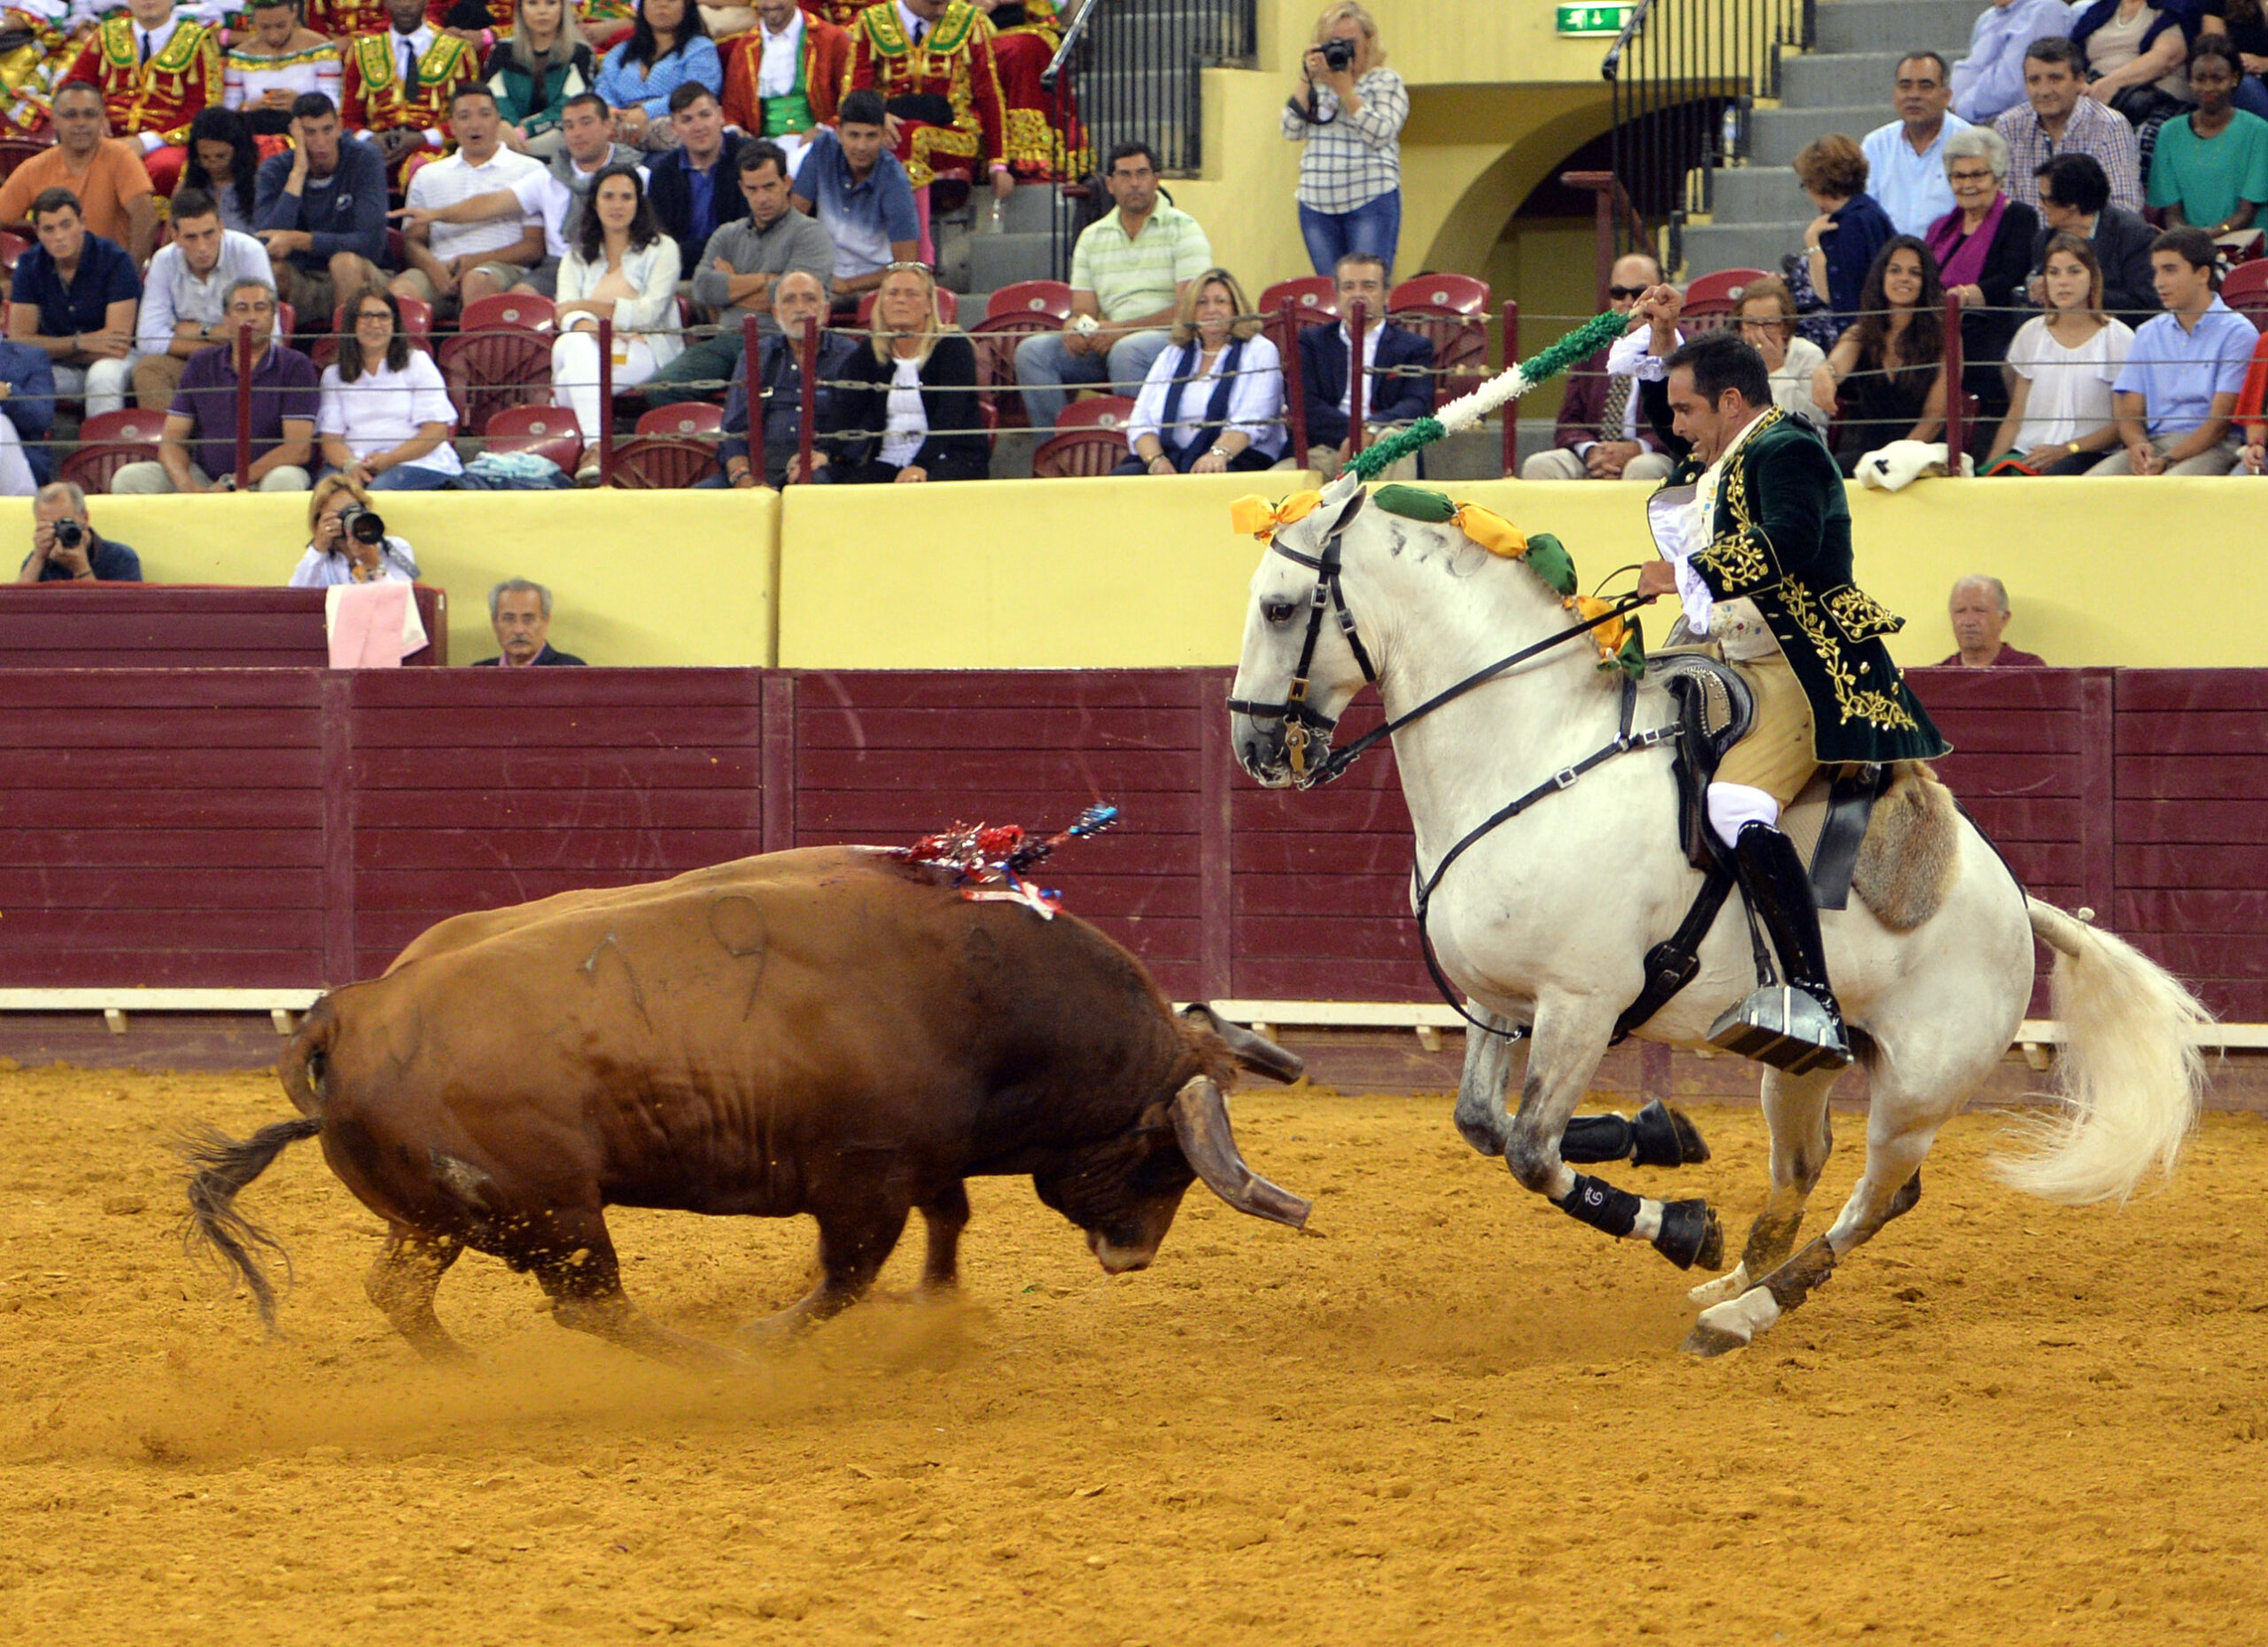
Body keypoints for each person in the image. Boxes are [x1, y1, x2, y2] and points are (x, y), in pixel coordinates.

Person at [1639, 329, 1948, 1069]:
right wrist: (1660, 343)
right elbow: (1673, 421)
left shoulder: (1789, 451)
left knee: (1733, 806)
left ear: (1732, 401)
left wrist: (1689, 573)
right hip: (1728, 652)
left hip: (1800, 666)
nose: (1675, 428)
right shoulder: (1727, 450)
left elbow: (1792, 539)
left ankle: (1811, 992)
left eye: (1687, 411)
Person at [1014, 141, 1210, 434]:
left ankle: (1138, 452)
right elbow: (1083, 311)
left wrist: (1122, 330)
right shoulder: (1092, 238)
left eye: (1142, 173)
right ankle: (1057, 455)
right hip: (1112, 341)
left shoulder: (1184, 229)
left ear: (1156, 180)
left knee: (1128, 351)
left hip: (1172, 342)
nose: (1134, 183)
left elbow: (1191, 311)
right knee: (1032, 352)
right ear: (1110, 184)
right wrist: (1075, 326)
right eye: (1124, 175)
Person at [645, 138, 831, 404]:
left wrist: (730, 287)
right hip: (727, 340)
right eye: (753, 189)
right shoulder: (727, 235)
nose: (762, 198)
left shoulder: (810, 233)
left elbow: (796, 302)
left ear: (787, 183)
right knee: (662, 388)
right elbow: (703, 288)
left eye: (769, 186)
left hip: (781, 342)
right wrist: (767, 280)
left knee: (759, 397)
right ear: (742, 188)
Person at [843, 0, 1015, 260]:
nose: (942, 7)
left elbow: (989, 93)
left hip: (955, 135)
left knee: (910, 136)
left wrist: (998, 162)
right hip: (888, 133)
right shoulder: (871, 22)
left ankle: (915, 255)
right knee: (894, 138)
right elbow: (854, 92)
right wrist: (876, 116)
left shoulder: (969, 20)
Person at [114, 277, 317, 493]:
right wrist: (186, 484)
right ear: (226, 319)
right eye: (241, 309)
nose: (251, 317)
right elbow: (172, 441)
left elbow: (298, 449)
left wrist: (233, 481)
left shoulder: (295, 365)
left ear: (273, 316)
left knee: (284, 481)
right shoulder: (201, 363)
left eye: (260, 308)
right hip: (206, 476)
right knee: (129, 479)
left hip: (266, 476)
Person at [552, 161, 682, 476]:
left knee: (569, 380)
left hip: (644, 347)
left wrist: (587, 308)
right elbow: (562, 312)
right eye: (609, 196)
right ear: (595, 202)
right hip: (589, 346)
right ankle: (597, 446)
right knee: (574, 341)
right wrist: (586, 326)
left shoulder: (662, 249)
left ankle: (588, 449)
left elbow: (649, 314)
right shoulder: (575, 256)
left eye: (626, 197)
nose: (617, 205)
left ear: (639, 203)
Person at [2090, 225, 2255, 473]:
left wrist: (2168, 459)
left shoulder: (2237, 333)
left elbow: (2219, 425)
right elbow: (2130, 412)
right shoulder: (2147, 333)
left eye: (2170, 270)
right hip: (2156, 442)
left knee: (2170, 487)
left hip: (2216, 446)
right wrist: (2138, 444)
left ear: (2202, 274)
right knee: (2092, 487)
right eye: (2156, 271)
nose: (2159, 283)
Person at [712, 268, 877, 486]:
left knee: (811, 491)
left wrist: (824, 457)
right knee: (694, 505)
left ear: (826, 310)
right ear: (776, 312)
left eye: (809, 299)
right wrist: (742, 476)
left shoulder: (849, 355)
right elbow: (733, 431)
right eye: (789, 300)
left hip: (824, 465)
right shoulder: (757, 355)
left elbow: (859, 431)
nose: (800, 308)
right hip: (760, 466)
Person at [392, 85, 546, 317]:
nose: (475, 125)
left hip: (499, 270)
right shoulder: (428, 175)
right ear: (452, 126)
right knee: (398, 292)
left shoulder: (530, 170)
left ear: (498, 120)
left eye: (484, 115)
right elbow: (413, 242)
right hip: (441, 271)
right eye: (464, 117)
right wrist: (435, 270)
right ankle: (411, 355)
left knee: (477, 281)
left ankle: (477, 354)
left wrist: (475, 261)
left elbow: (533, 247)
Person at [1521, 252, 1675, 482]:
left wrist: (1637, 448)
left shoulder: (1681, 345)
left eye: (1638, 292)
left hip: (1653, 454)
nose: (1628, 301)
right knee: (1539, 466)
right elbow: (1568, 423)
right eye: (1618, 293)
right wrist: (1593, 451)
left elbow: (1687, 423)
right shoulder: (1593, 346)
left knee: (1643, 469)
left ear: (1660, 293)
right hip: (1595, 454)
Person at [1989, 233, 2135, 472]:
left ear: (2092, 278)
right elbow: (2015, 418)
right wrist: (1986, 472)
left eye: (2074, 271)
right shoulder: (2031, 334)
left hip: (2086, 455)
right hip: (2028, 454)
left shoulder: (2118, 338)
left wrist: (2068, 449)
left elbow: (2123, 425)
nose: (2063, 282)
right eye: (2054, 272)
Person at [1118, 267, 1285, 475]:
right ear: (1191, 312)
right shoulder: (1173, 354)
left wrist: (1217, 454)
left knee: (1212, 478)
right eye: (1202, 302)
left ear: (1236, 308)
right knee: (1125, 477)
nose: (1211, 309)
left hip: (1237, 456)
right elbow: (1141, 421)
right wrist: (1156, 461)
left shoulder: (1259, 350)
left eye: (1220, 301)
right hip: (1172, 457)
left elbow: (1255, 420)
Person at [1281, 2, 1406, 277]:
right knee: (1334, 294)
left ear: (1369, 41)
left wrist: (1346, 92)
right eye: (1334, 43)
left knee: (1366, 291)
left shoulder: (1385, 81)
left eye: (1351, 42)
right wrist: (1306, 78)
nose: (1344, 50)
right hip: (1317, 205)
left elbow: (1381, 133)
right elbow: (1290, 128)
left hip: (1370, 199)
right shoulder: (1317, 86)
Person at [835, 260, 986, 483]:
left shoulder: (952, 345)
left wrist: (921, 465)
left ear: (928, 306)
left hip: (949, 457)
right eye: (893, 293)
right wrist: (824, 450)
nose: (901, 301)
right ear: (881, 303)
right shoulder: (870, 350)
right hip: (888, 459)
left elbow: (950, 415)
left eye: (911, 294)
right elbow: (849, 408)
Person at [1929, 125, 2039, 428]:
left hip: (1990, 327)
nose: (1968, 184)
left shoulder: (2018, 216)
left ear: (1999, 177)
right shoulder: (1941, 227)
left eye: (1978, 175)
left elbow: (2011, 277)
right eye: (1959, 176)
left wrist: (1958, 298)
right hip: (1936, 326)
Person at [130, 186, 278, 411]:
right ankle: (171, 445)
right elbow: (148, 339)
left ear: (221, 228)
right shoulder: (163, 260)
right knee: (148, 368)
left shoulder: (249, 252)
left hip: (243, 362)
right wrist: (218, 340)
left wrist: (200, 330)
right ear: (175, 237)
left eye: (209, 234)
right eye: (191, 237)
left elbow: (268, 335)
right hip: (190, 362)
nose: (202, 247)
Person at [252, 93, 392, 328]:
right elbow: (268, 242)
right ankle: (274, 359)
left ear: (339, 126)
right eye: (309, 132)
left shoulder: (364, 158)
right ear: (294, 132)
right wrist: (298, 173)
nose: (320, 142)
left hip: (364, 276)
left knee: (343, 263)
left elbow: (371, 243)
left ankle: (345, 355)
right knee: (270, 273)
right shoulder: (275, 169)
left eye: (327, 130)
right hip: (305, 279)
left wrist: (300, 240)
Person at [1813, 237, 1948, 473]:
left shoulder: (1944, 337)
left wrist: (1894, 460)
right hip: (1870, 454)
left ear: (1926, 281)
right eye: (1895, 270)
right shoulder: (1862, 332)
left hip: (1923, 454)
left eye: (1915, 272)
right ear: (1881, 277)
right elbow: (1836, 363)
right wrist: (1824, 373)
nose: (1904, 278)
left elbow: (1935, 417)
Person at [63, 0, 222, 196]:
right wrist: (92, 115)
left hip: (165, 142)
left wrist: (146, 142)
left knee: (165, 167)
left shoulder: (198, 40)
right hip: (105, 136)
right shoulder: (106, 34)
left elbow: (203, 109)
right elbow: (73, 86)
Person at [1297, 250, 1431, 479]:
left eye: (1368, 286)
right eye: (1348, 287)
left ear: (1387, 295)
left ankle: (1396, 516)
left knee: (1394, 439)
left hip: (1382, 443)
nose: (1357, 295)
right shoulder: (1312, 342)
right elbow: (1305, 404)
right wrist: (1353, 435)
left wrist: (1370, 429)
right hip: (1327, 449)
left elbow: (1417, 403)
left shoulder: (1413, 346)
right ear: (1337, 294)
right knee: (1277, 479)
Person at [6, 189, 140, 417]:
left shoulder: (115, 260)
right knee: (18, 381)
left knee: (103, 375)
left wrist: (54, 348)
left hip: (117, 362)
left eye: (66, 225)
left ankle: (102, 452)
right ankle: (34, 452)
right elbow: (21, 342)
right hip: (60, 365)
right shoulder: (29, 265)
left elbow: (116, 346)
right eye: (49, 229)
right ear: (37, 232)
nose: (59, 236)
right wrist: (80, 343)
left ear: (82, 223)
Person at [318, 286, 465, 489]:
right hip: (354, 464)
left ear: (395, 323)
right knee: (328, 494)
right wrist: (351, 466)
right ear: (351, 324)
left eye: (383, 317)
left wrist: (388, 460)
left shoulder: (417, 362)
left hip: (415, 462)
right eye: (366, 316)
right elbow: (330, 440)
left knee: (380, 490)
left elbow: (436, 431)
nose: (375, 324)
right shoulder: (333, 375)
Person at [0, 81, 159, 265]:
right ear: (55, 121)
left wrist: (127, 276)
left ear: (101, 119)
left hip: (109, 277)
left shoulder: (121, 157)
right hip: (54, 282)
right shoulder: (35, 168)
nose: (80, 123)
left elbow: (146, 219)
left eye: (89, 115)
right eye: (70, 115)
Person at [787, 89, 918, 307]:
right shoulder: (822, 150)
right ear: (838, 133)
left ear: (884, 135)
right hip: (820, 278)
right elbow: (792, 222)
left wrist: (848, 285)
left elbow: (906, 265)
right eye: (854, 135)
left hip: (872, 290)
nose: (861, 147)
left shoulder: (895, 180)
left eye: (871, 136)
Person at [1996, 37, 2144, 212]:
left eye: (2055, 79)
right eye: (2034, 80)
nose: (2044, 91)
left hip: (2091, 238)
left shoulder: (2109, 126)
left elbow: (2125, 206)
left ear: (2080, 80)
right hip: (2026, 238)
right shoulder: (2008, 125)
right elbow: (2002, 205)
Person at [342, 0, 483, 182]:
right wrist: (371, 139)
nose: (405, 5)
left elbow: (471, 116)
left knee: (422, 168)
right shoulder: (363, 51)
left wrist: (424, 137)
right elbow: (347, 119)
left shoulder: (457, 50)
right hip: (376, 155)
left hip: (436, 157)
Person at [2148, 36, 2268, 239]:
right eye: (2200, 79)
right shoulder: (2169, 133)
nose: (2208, 87)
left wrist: (2211, 236)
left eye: (2218, 79)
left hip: (2244, 247)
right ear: (2190, 81)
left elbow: (2246, 213)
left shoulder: (2259, 132)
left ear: (2235, 78)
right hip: (2189, 248)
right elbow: (2172, 214)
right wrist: (2189, 240)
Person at [718, 0, 849, 171]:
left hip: (821, 146)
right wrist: (737, 132)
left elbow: (851, 98)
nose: (771, 4)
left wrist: (825, 129)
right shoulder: (744, 48)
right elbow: (731, 109)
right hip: (763, 149)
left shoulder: (830, 38)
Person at [2029, 151, 2157, 317]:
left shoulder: (2134, 236)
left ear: (2071, 203)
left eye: (2045, 199)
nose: (2040, 206)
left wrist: (2084, 293)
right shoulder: (2044, 240)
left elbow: (2146, 304)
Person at [1794, 134, 1896, 334]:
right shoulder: (1869, 213)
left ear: (1815, 184)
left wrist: (1812, 241)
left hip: (1864, 337)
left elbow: (1832, 293)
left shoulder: (1851, 224)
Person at [1861, 53, 1973, 236]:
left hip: (1950, 257)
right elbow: (1865, 216)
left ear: (1946, 96)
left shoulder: (1969, 142)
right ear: (1894, 95)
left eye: (1925, 86)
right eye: (1905, 86)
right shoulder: (1876, 145)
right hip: (1888, 258)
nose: (1913, 95)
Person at [644, 83, 750, 273]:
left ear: (720, 116)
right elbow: (662, 242)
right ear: (674, 128)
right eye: (687, 120)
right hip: (680, 271)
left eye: (705, 115)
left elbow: (749, 231)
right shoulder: (663, 173)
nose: (698, 127)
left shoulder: (748, 158)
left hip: (742, 265)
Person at [484, 0, 599, 161]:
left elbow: (571, 106)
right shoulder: (502, 51)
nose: (542, 11)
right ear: (520, 10)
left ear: (563, 8)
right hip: (507, 132)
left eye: (551, 3)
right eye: (532, 3)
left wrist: (524, 131)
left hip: (559, 133)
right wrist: (507, 125)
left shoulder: (581, 53)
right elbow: (493, 97)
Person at [595, 0, 721, 144]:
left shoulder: (701, 49)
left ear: (686, 6)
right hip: (619, 129)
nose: (662, 4)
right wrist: (612, 112)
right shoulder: (620, 51)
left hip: (673, 131)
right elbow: (603, 88)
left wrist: (646, 112)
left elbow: (698, 94)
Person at [221, 0, 343, 139]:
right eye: (265, 28)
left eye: (281, 26)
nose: (274, 36)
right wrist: (250, 108)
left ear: (294, 12)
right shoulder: (240, 57)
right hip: (254, 137)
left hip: (309, 137)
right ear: (254, 19)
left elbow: (335, 106)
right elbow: (228, 113)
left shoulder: (321, 50)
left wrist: (301, 105)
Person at [2070, 0, 2198, 129]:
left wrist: (2110, 83)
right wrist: (2081, 84)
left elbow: (2167, 58)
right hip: (2095, 95)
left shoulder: (2175, 6)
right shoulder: (2098, 11)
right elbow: (2073, 58)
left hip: (2153, 102)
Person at [1734, 275, 1831, 429]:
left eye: (1769, 324)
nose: (1760, 333)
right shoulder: (1732, 357)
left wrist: (1776, 368)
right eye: (1751, 323)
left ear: (1785, 327)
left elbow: (1812, 419)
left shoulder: (1808, 354)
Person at [289, 471, 419, 586]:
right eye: (338, 514)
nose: (348, 520)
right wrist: (317, 549)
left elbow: (400, 602)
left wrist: (373, 565)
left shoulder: (395, 548)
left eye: (353, 511)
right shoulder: (320, 561)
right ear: (319, 521)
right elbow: (296, 600)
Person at [1953, 0, 2075, 123]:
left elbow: (2012, 84)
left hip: (2011, 123)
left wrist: (1960, 108)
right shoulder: (1986, 18)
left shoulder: (2045, 9)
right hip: (1965, 117)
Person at [18, 481, 141, 584]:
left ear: (85, 518)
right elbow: (16, 607)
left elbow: (115, 611)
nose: (58, 532)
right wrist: (38, 557)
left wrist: (81, 568)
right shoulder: (38, 560)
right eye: (49, 526)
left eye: (65, 522)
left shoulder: (121, 558)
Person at [175, 108, 261, 240]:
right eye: (205, 157)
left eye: (221, 157)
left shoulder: (260, 187)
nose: (213, 164)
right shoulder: (184, 189)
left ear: (238, 153)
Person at [475, 578, 586, 664]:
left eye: (528, 619)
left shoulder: (572, 671)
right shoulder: (477, 676)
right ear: (494, 622)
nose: (519, 630)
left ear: (546, 621)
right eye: (509, 619)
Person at [1940, 575, 2046, 664]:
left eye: (1979, 610)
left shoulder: (2029, 670)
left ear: (2004, 619)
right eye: (1960, 611)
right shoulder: (1936, 678)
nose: (1969, 621)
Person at [0, 338, 58, 493]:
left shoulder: (31, 357)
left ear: (2, 316)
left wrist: (8, 394)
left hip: (20, 454)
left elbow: (42, 418)